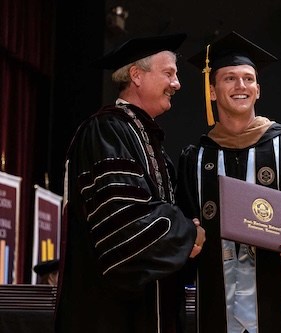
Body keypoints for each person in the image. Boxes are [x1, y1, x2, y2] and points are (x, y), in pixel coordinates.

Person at [176, 31, 281, 333]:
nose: (240, 85)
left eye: (248, 78)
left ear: (258, 90)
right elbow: (185, 222)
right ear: (213, 91)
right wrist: (188, 236)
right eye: (229, 78)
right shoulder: (196, 158)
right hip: (218, 310)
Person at [55, 33, 205, 333]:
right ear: (136, 75)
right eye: (169, 73)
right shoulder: (106, 131)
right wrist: (189, 232)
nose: (177, 84)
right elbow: (123, 218)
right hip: (111, 314)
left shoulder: (147, 140)